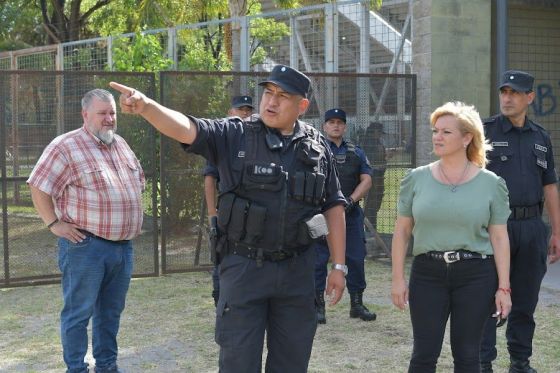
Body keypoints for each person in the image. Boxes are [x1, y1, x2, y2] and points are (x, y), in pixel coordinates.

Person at [109, 64, 347, 373]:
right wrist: (147, 107)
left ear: (302, 105)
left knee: (292, 363)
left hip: (297, 271)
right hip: (245, 268)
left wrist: (339, 265)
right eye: (268, 93)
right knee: (238, 363)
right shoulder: (236, 134)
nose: (271, 102)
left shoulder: (317, 147)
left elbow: (333, 206)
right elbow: (187, 128)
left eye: (283, 96)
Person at [27, 89, 145, 373]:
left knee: (110, 314)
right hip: (85, 247)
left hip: (122, 248)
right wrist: (54, 224)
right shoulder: (65, 146)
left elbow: (138, 183)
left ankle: (107, 366)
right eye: (102, 113)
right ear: (85, 115)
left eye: (112, 113)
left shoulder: (121, 145)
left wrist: (129, 218)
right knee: (78, 314)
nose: (109, 119)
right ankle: (76, 369)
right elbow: (38, 185)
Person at [391, 101, 512, 373]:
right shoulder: (415, 179)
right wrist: (397, 278)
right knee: (423, 354)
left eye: (446, 132)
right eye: (435, 130)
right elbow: (401, 231)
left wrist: (504, 288)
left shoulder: (492, 184)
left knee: (469, 356)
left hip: (476, 275)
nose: (437, 137)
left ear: (467, 137)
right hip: (427, 273)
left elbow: (500, 238)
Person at [479, 70, 560, 373]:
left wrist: (556, 232)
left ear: (530, 97)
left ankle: (520, 361)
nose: (508, 98)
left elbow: (550, 186)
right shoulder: (484, 132)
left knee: (525, 300)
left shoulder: (541, 137)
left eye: (515, 92)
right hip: (494, 227)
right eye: (504, 92)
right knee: (488, 297)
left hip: (531, 228)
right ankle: (483, 362)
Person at [313, 108, 376, 324]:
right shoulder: (315, 150)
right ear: (324, 126)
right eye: (331, 122)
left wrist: (348, 201)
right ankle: (317, 307)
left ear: (345, 126)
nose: (335, 126)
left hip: (350, 214)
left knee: (356, 257)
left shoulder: (356, 152)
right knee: (318, 259)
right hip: (320, 214)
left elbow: (366, 180)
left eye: (339, 122)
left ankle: (356, 304)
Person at [204, 95, 254, 306]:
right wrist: (212, 216)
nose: (244, 113)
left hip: (254, 214)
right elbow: (209, 180)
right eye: (240, 109)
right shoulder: (222, 141)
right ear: (230, 112)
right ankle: (220, 301)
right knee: (222, 256)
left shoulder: (258, 140)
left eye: (248, 110)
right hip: (228, 212)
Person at [362, 121, 387, 231]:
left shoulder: (376, 142)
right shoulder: (369, 143)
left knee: (375, 204)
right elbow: (370, 162)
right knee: (371, 205)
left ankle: (372, 229)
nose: (380, 134)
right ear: (374, 132)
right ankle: (370, 230)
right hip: (373, 177)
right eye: (379, 132)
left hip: (379, 177)